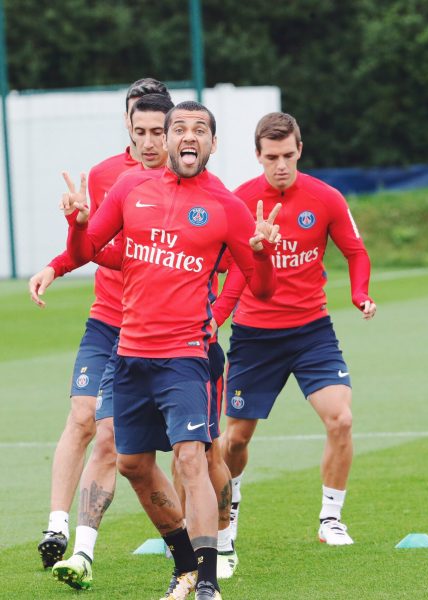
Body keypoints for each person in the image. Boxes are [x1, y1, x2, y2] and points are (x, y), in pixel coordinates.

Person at [61, 101, 280, 600]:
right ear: (164, 139)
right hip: (128, 355)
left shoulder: (226, 206)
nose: (188, 135)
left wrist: (263, 254)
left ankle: (206, 582)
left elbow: (262, 288)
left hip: (186, 358)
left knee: (190, 460)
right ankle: (184, 566)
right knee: (133, 465)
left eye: (199, 129)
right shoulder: (129, 189)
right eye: (179, 127)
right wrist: (77, 223)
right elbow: (86, 251)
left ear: (212, 145)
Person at [31, 78, 172, 573]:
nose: (148, 138)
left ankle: (212, 540)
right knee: (83, 417)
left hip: (159, 329)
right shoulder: (107, 174)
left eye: (157, 127)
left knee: (141, 446)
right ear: (129, 123)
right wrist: (56, 262)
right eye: (139, 124)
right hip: (107, 319)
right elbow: (93, 242)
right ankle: (58, 526)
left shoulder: (185, 180)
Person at [219, 112, 376, 548]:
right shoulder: (239, 201)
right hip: (254, 336)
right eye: (271, 157)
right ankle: (228, 505)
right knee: (235, 438)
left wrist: (360, 293)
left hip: (311, 332)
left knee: (341, 419)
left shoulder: (325, 198)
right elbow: (222, 265)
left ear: (300, 150)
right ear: (258, 156)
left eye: (288, 155)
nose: (281, 165)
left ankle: (331, 519)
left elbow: (356, 252)